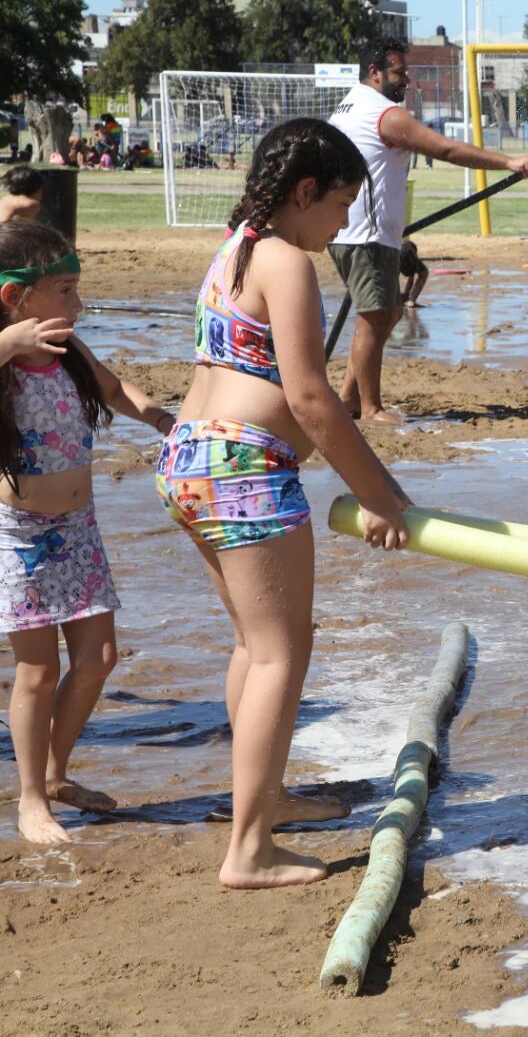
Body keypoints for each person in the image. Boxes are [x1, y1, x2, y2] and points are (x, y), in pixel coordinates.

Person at [155, 118, 412, 888]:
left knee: (253, 644)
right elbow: (310, 400)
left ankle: (263, 802)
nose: (341, 227)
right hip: (240, 467)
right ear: (305, 193)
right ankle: (249, 850)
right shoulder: (286, 260)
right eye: (340, 206)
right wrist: (382, 494)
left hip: (188, 461)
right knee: (280, 653)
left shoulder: (233, 249)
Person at [0, 221, 174, 845]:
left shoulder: (69, 353)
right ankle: (29, 801)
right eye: (65, 290)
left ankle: (55, 773)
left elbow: (112, 388)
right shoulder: (7, 362)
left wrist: (156, 414)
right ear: (15, 297)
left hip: (78, 530)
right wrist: (7, 340)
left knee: (98, 659)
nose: (78, 305)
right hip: (19, 536)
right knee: (37, 675)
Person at [329, 37, 528, 424]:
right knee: (374, 317)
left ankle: (348, 396)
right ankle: (371, 408)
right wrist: (509, 161)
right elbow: (444, 149)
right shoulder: (383, 114)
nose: (406, 80)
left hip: (359, 231)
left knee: (387, 313)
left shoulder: (348, 105)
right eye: (399, 72)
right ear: (374, 73)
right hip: (365, 235)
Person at [399, 239, 428, 307]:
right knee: (424, 273)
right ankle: (411, 301)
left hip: (391, 250)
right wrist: (407, 295)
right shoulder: (409, 248)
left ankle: (394, 300)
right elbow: (411, 278)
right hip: (404, 249)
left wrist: (405, 294)